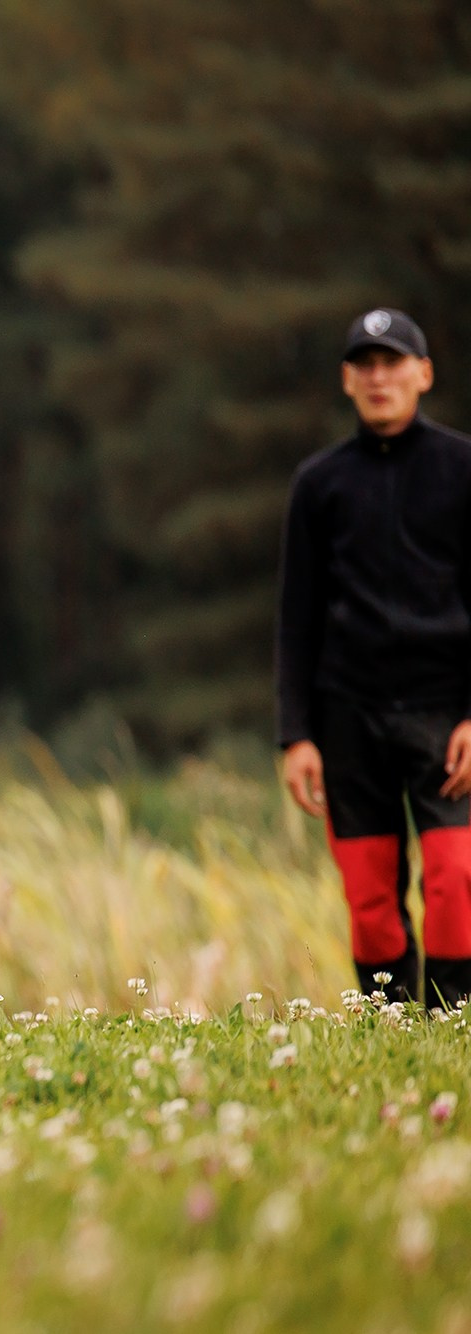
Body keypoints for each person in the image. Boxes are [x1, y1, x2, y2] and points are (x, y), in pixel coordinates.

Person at [277, 308, 471, 1009]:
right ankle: (393, 1027)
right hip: (347, 718)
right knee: (368, 896)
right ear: (346, 382)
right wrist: (295, 734)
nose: (379, 377)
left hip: (446, 716)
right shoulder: (318, 484)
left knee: (456, 877)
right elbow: (296, 617)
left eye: (393, 363)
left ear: (424, 373)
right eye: (365, 364)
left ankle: (453, 1023)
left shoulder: (463, 467)